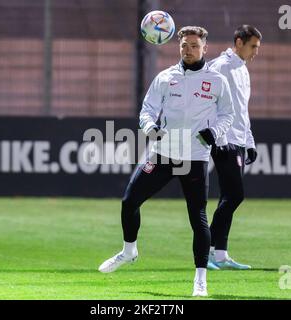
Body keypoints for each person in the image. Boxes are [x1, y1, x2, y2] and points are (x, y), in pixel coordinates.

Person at [98, 26, 235, 297]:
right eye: (184, 45)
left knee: (198, 218)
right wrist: (149, 128)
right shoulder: (165, 77)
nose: (189, 49)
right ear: (178, 47)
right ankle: (129, 251)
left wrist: (215, 132)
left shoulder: (217, 80)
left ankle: (200, 280)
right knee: (129, 202)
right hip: (163, 153)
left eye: (194, 45)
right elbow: (147, 110)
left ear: (204, 48)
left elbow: (227, 114)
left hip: (195, 156)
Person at [206, 25, 261, 270]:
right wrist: (217, 135)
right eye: (253, 47)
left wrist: (249, 142)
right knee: (235, 195)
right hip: (224, 140)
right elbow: (206, 103)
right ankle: (205, 251)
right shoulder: (220, 67)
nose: (255, 52)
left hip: (238, 139)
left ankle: (220, 255)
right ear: (239, 42)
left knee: (229, 197)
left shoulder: (243, 70)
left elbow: (242, 110)